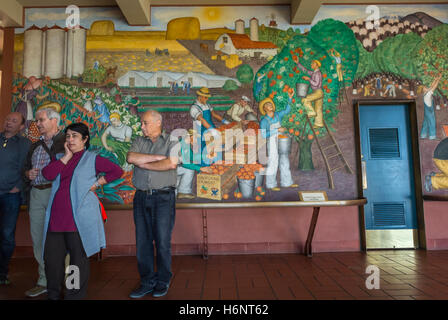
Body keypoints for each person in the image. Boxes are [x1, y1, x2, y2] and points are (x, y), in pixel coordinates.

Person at [41, 122, 122, 299]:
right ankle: (53, 295)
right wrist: (66, 157)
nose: (70, 140)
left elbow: (116, 171)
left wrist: (96, 184)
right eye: (68, 136)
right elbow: (47, 174)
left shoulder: (92, 158)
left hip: (78, 221)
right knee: (52, 262)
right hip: (56, 219)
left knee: (75, 265)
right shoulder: (60, 157)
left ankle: (73, 296)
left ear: (85, 139)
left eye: (75, 136)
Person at [127, 110, 179, 299]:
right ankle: (147, 282)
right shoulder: (139, 141)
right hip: (141, 197)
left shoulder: (172, 141)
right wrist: (159, 159)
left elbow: (172, 163)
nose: (142, 126)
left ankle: (163, 281)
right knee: (143, 242)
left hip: (164, 198)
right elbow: (131, 158)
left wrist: (145, 164)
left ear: (158, 122)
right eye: (142, 123)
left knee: (163, 242)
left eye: (145, 123)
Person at [23, 106, 65, 298]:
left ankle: (65, 280)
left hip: (56, 194)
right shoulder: (34, 145)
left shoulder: (67, 141)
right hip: (36, 194)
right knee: (38, 239)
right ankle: (44, 280)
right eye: (37, 121)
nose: (37, 124)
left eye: (40, 120)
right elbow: (24, 168)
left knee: (63, 239)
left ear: (54, 120)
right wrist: (27, 173)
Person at [0, 113, 31, 285]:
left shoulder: (24, 144)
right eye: (7, 119)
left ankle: (2, 272)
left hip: (11, 196)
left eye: (14, 121)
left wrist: (18, 186)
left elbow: (26, 168)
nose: (9, 122)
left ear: (21, 127)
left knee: (6, 235)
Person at [259, 89, 298, 191]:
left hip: (281, 139)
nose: (270, 105)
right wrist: (276, 130)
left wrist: (290, 97)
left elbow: (287, 110)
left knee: (284, 159)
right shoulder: (264, 121)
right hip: (271, 141)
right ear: (264, 108)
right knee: (273, 160)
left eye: (271, 104)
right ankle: (271, 184)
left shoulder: (277, 115)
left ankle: (287, 182)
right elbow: (263, 135)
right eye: (267, 105)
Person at [190, 87, 225, 165]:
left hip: (210, 127)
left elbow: (214, 114)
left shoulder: (207, 105)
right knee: (204, 150)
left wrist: (224, 121)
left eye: (207, 97)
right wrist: (212, 130)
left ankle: (216, 166)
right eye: (205, 97)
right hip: (201, 131)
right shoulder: (194, 108)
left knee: (216, 147)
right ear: (200, 97)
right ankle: (204, 169)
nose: (207, 99)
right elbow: (202, 120)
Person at [293, 56, 324, 128]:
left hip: (318, 92)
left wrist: (308, 79)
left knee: (305, 99)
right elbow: (306, 70)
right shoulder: (314, 73)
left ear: (316, 65)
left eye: (312, 64)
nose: (311, 65)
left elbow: (316, 84)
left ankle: (311, 112)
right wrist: (298, 63)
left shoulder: (318, 74)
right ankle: (318, 123)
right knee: (318, 108)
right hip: (317, 92)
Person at [420, 73, 443, 140]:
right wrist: (438, 80)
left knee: (426, 122)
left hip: (428, 110)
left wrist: (435, 79)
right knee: (432, 122)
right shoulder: (428, 94)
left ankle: (423, 135)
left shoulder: (426, 93)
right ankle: (432, 136)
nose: (426, 87)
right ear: (423, 90)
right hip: (429, 111)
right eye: (425, 87)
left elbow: (431, 86)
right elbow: (434, 87)